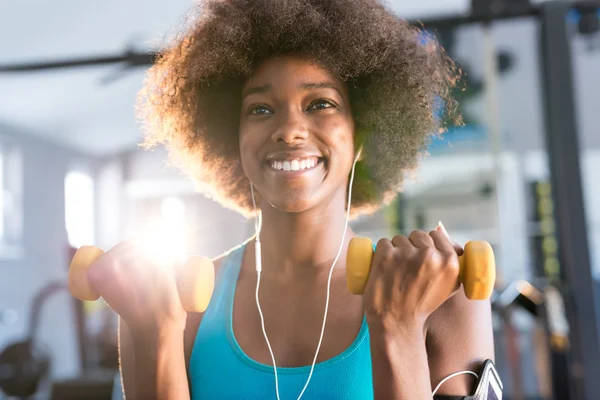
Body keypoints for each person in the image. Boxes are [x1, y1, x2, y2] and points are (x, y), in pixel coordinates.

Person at [90, 0, 495, 399]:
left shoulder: (444, 297)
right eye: (261, 109)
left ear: (363, 134)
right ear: (232, 139)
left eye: (321, 103)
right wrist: (156, 330)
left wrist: (398, 326)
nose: (289, 129)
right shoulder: (172, 302)